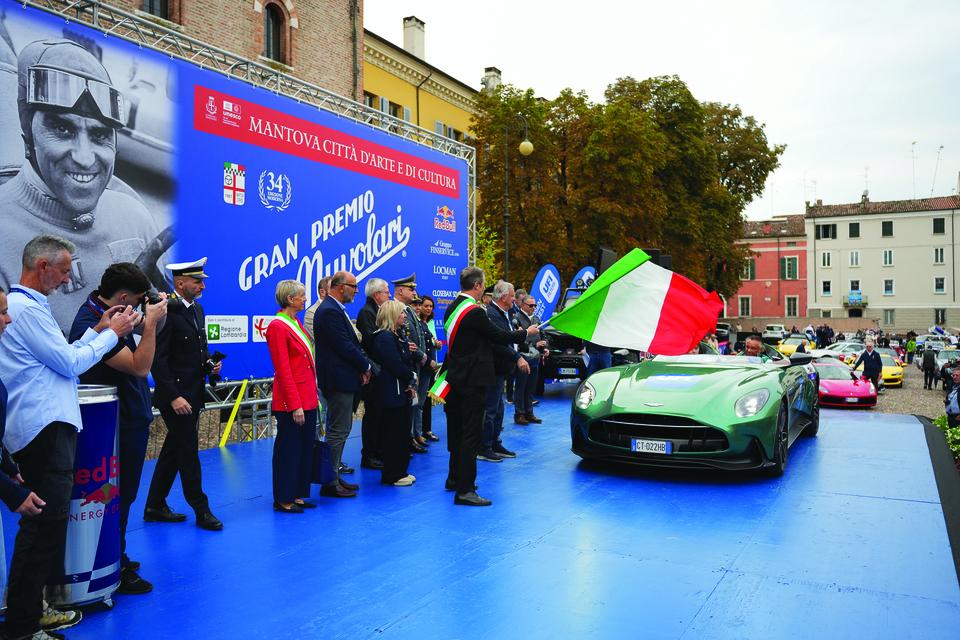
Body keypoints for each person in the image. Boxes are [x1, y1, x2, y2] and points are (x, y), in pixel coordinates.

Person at [0, 235, 139, 640]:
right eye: (63, 271)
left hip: (48, 424)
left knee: (47, 528)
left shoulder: (30, 309)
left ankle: (33, 611)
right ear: (42, 266)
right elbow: (70, 363)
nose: (67, 280)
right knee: (42, 529)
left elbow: (63, 358)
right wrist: (111, 333)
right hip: (43, 428)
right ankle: (24, 625)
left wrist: (98, 329)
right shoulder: (26, 309)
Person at [0, 39, 160, 332]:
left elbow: (159, 333)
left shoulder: (133, 215)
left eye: (100, 135)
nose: (85, 158)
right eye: (62, 129)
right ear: (29, 137)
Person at [68, 262, 167, 595]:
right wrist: (149, 324)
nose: (140, 307)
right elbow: (141, 367)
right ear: (123, 297)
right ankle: (114, 563)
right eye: (138, 300)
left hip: (127, 419)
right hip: (113, 428)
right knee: (112, 497)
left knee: (122, 496)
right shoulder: (93, 325)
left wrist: (149, 318)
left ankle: (115, 554)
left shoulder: (113, 317)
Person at [442, 268, 538, 506]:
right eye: (483, 285)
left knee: (456, 432)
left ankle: (455, 478)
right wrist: (526, 332)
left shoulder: (451, 308)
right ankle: (465, 489)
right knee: (471, 434)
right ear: (476, 286)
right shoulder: (474, 312)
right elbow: (498, 336)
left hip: (456, 377)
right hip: (472, 380)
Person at [144, 257, 224, 532]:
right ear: (179, 283)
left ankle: (154, 504)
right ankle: (201, 509)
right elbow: (158, 358)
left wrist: (209, 366)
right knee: (188, 453)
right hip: (177, 397)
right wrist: (174, 396)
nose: (202, 285)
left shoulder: (196, 310)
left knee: (173, 451)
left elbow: (193, 352)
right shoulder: (167, 312)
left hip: (193, 392)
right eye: (196, 281)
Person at [312, 271, 371, 498]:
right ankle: (330, 481)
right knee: (337, 431)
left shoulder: (334, 309)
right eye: (353, 286)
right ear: (340, 287)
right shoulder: (329, 311)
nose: (356, 290)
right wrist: (365, 366)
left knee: (342, 429)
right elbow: (345, 346)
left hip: (343, 378)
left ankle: (334, 476)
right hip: (337, 380)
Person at [265, 280, 318, 514]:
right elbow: (283, 369)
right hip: (291, 401)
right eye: (302, 296)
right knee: (289, 450)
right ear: (290, 299)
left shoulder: (295, 322)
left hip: (307, 396)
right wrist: (294, 404)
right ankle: (283, 497)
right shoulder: (278, 326)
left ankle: (298, 493)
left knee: (305, 448)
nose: (305, 299)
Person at [480, 280, 529, 462]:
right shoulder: (492, 314)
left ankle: (494, 442)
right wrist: (517, 357)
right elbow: (497, 342)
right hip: (493, 369)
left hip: (501, 369)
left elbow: (507, 339)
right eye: (512, 296)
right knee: (491, 409)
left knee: (499, 409)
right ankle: (484, 447)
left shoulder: (504, 314)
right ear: (502, 297)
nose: (514, 300)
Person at [370, 300, 417, 486]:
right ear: (392, 316)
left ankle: (400, 470)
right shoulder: (384, 338)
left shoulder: (394, 336)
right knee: (393, 435)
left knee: (401, 433)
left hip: (399, 392)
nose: (404, 316)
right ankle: (393, 474)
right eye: (401, 314)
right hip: (391, 393)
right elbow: (395, 364)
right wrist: (411, 376)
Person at [391, 274, 431, 454]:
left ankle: (413, 436)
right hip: (407, 364)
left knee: (415, 404)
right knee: (407, 407)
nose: (414, 293)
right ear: (400, 290)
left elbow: (418, 337)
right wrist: (422, 357)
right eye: (411, 289)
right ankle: (407, 439)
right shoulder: (395, 309)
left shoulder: (407, 309)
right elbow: (405, 339)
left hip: (416, 364)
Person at [355, 277, 390, 470]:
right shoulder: (367, 313)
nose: (389, 294)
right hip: (374, 372)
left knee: (380, 415)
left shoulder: (377, 311)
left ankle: (378, 451)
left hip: (381, 372)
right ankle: (369, 455)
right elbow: (371, 341)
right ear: (377, 295)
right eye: (386, 291)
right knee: (373, 416)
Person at [513, 294, 547, 425]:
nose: (533, 308)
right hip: (523, 358)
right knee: (521, 387)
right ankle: (519, 414)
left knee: (531, 387)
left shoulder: (536, 319)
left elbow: (544, 336)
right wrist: (534, 345)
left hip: (535, 359)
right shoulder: (516, 319)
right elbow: (517, 340)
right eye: (531, 305)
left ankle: (529, 412)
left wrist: (545, 347)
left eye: (535, 305)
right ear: (522, 305)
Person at [418, 295, 441, 443]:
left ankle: (427, 429)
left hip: (432, 366)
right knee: (420, 401)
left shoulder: (430, 323)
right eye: (426, 306)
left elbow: (432, 342)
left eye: (431, 306)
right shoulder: (418, 323)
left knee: (427, 400)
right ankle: (418, 432)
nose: (428, 308)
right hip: (423, 366)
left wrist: (437, 344)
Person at [302, 276, 331, 343]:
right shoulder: (311, 313)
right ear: (322, 292)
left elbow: (356, 335)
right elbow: (324, 340)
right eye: (333, 289)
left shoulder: (340, 309)